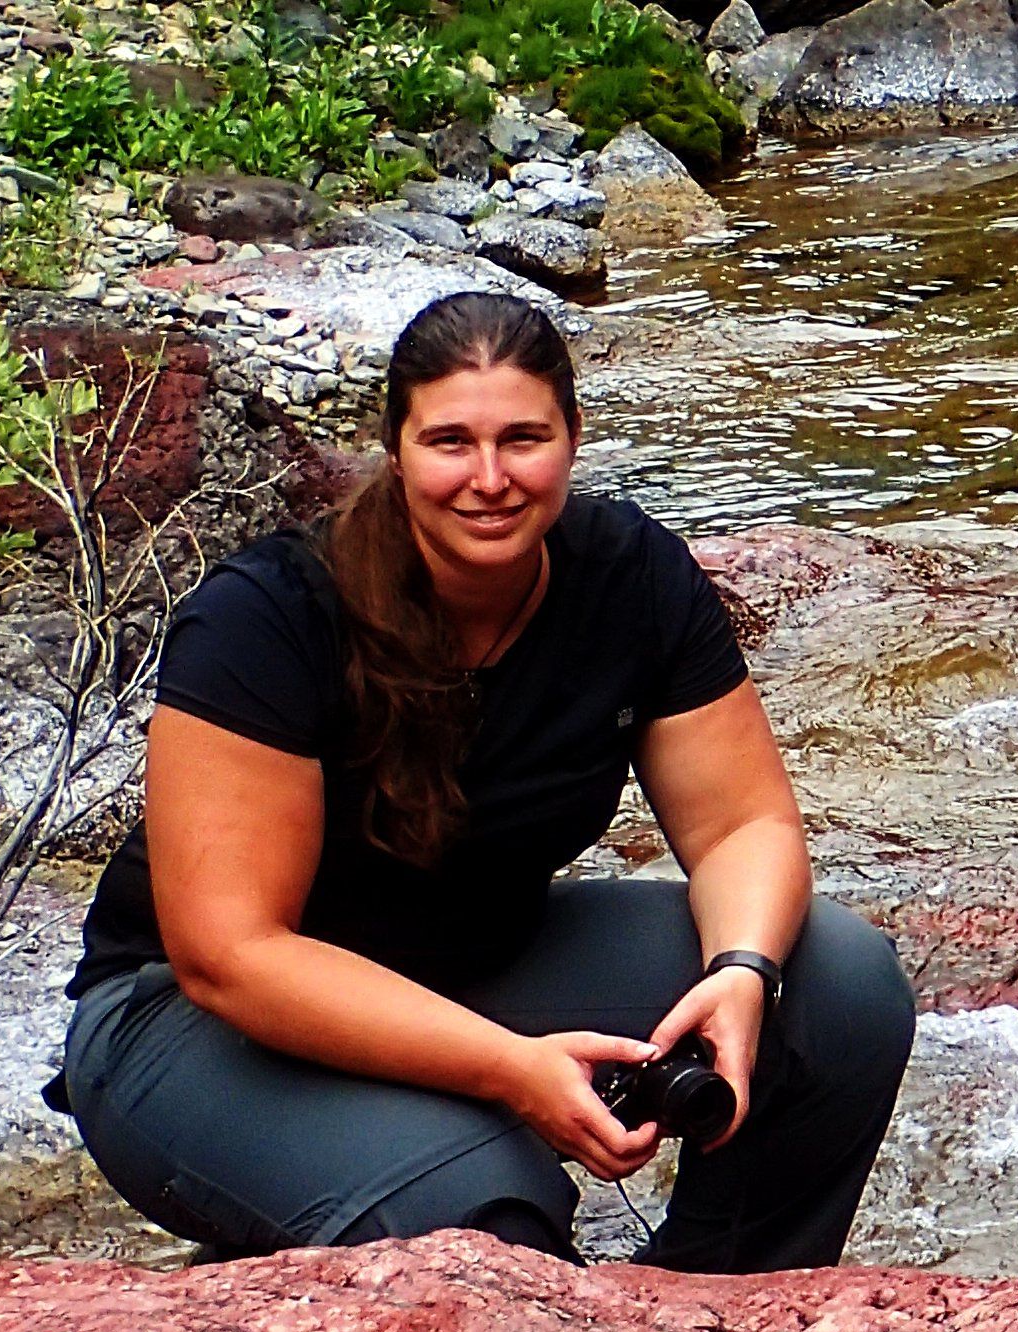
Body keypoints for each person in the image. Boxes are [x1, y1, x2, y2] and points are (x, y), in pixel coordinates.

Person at [55, 291, 916, 1272]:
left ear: (574, 439)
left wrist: (740, 973)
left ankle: (710, 1323)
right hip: (192, 1023)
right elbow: (231, 955)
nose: (492, 478)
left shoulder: (627, 577)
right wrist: (511, 1073)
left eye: (524, 439)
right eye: (452, 442)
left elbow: (741, 829)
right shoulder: (269, 618)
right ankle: (333, 1227)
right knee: (489, 1211)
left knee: (838, 990)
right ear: (395, 448)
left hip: (472, 962)